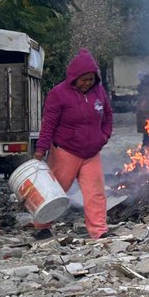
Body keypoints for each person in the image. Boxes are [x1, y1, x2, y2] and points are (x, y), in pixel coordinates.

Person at [34, 48, 112, 240]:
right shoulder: (58, 94)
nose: (87, 83)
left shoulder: (99, 91)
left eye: (91, 79)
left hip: (91, 153)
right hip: (65, 152)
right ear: (74, 77)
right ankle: (42, 226)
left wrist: (103, 137)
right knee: (55, 191)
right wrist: (40, 150)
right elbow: (48, 125)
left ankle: (99, 231)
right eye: (84, 79)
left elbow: (108, 116)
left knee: (95, 193)